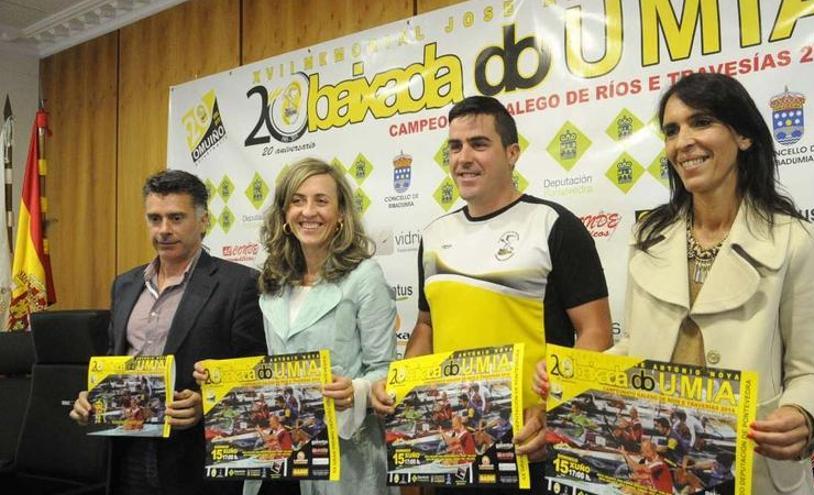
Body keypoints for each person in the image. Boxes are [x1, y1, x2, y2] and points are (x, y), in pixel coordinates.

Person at [373, 95, 613, 493]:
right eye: (455, 146)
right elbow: (427, 327)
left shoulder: (555, 226)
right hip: (454, 445)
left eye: (479, 144)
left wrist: (554, 411)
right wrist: (399, 384)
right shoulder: (433, 236)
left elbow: (596, 334)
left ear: (512, 153)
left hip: (529, 445)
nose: (463, 157)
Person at [612, 73, 814, 494]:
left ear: (744, 136)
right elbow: (633, 346)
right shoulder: (647, 235)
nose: (683, 142)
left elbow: (813, 371)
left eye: (701, 122)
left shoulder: (794, 239)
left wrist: (802, 414)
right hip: (660, 468)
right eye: (672, 130)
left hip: (757, 472)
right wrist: (573, 377)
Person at [69, 169, 266, 495]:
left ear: (203, 221)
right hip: (126, 450)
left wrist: (206, 403)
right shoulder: (125, 284)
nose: (164, 230)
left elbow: (257, 373)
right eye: (155, 218)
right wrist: (92, 399)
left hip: (195, 457)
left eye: (176, 218)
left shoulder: (239, 284)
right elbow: (113, 359)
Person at [218, 158, 397, 495]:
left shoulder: (364, 277)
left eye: (321, 200)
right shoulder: (273, 279)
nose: (308, 211)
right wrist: (221, 380)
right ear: (285, 215)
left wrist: (356, 390)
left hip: (344, 459)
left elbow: (385, 369)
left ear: (341, 213)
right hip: (278, 456)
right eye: (297, 201)